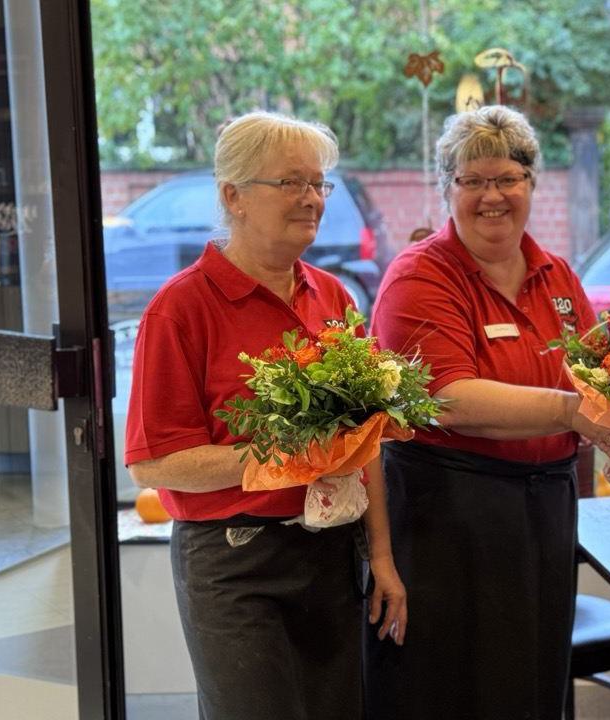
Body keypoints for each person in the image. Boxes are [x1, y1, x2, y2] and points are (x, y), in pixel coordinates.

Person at [124, 111, 406, 719]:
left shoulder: (333, 296)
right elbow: (153, 465)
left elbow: (366, 442)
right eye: (291, 183)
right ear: (233, 196)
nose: (311, 199)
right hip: (235, 563)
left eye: (318, 184)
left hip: (333, 552)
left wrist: (380, 557)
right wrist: (278, 457)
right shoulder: (180, 309)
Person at [364, 105, 610, 719]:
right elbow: (450, 397)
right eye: (471, 181)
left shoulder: (558, 276)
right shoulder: (419, 277)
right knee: (451, 687)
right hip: (447, 510)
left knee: (532, 684)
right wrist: (572, 411)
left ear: (532, 183)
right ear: (446, 188)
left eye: (507, 178)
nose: (492, 196)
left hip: (547, 506)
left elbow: (597, 381)